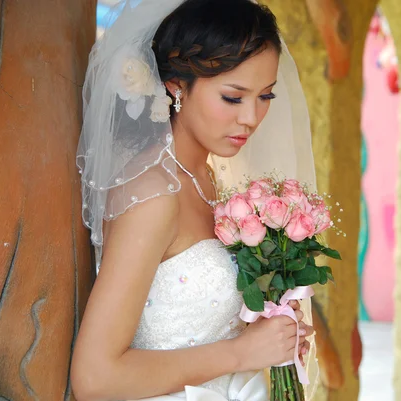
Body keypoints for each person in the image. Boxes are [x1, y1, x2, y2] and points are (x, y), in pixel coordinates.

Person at [71, 0, 319, 400]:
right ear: (176, 84)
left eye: (266, 97)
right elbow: (95, 378)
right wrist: (241, 352)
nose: (252, 118)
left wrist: (268, 334)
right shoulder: (153, 194)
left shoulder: (211, 180)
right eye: (233, 98)